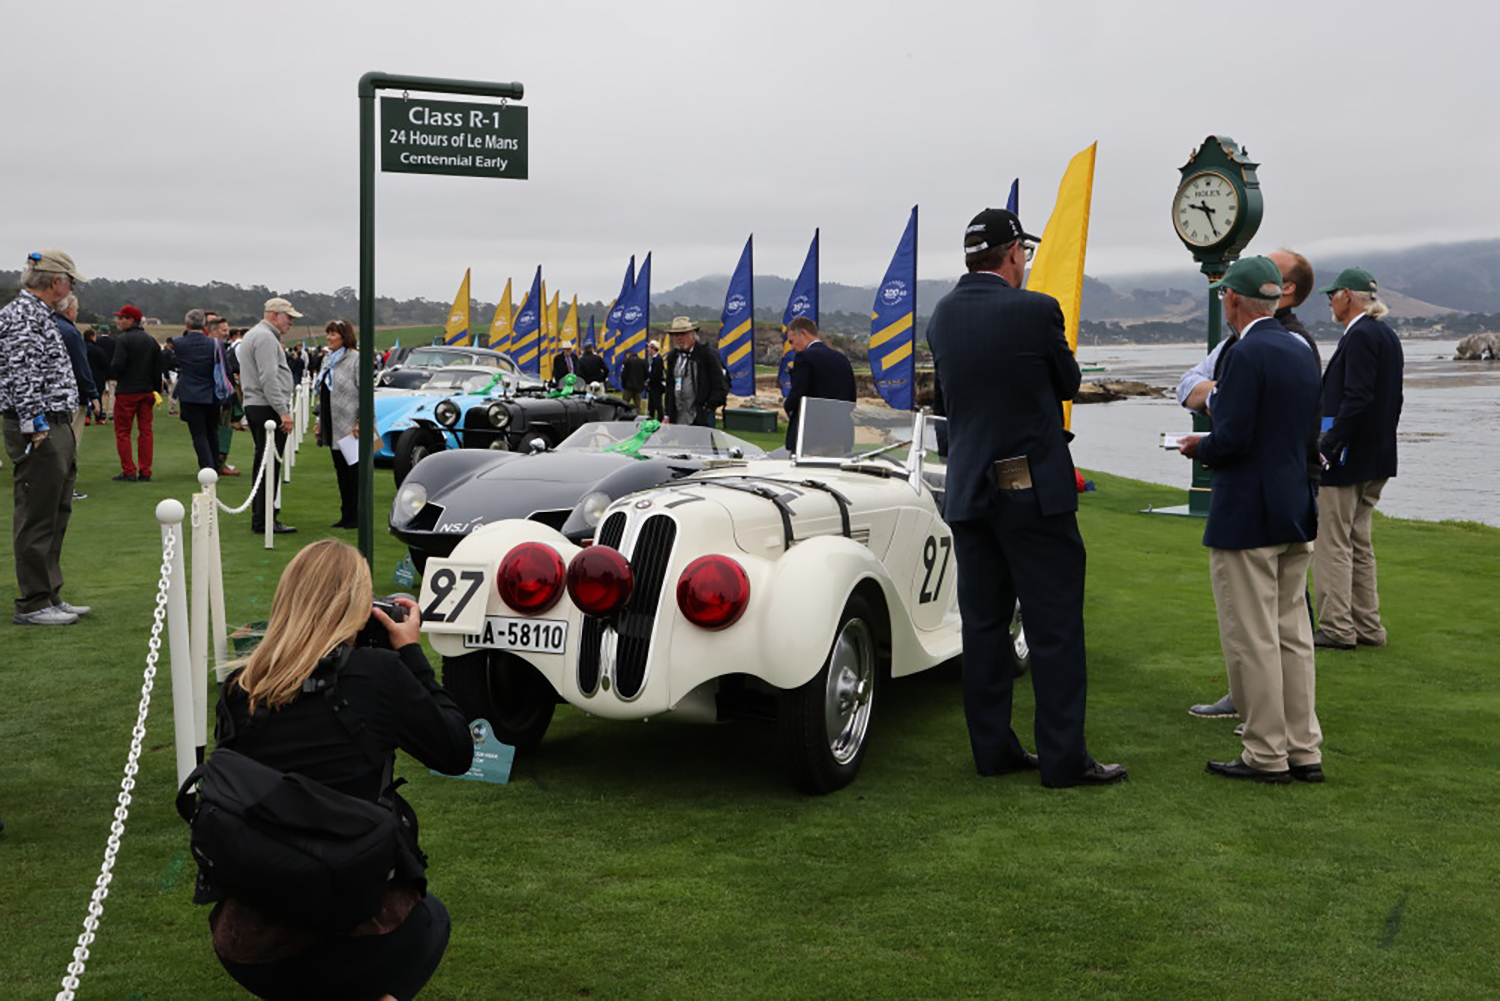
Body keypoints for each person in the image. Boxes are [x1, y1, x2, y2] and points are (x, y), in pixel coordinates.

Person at [200, 540, 472, 999]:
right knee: (429, 920)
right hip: (358, 921)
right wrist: (410, 654)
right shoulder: (380, 673)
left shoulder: (240, 686)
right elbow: (456, 750)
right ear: (358, 606)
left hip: (248, 937)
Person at [926, 208, 1126, 789]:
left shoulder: (943, 316)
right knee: (1054, 624)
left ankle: (993, 751)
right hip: (1031, 491)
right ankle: (1063, 760)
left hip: (968, 489)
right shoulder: (1037, 310)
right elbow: (1067, 383)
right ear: (1014, 253)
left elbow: (949, 399)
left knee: (983, 626)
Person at [1177, 256, 1323, 784]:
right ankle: (1304, 747)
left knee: (1254, 637)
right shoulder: (1300, 349)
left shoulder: (1243, 352)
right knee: (1293, 636)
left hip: (1248, 513)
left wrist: (1199, 446)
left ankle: (1265, 752)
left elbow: (1234, 437)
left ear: (1233, 300)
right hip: (1294, 505)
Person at [1314, 267, 1404, 650]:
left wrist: (1329, 444)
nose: (1330, 303)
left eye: (1332, 295)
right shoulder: (1386, 334)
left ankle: (1336, 627)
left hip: (1349, 458)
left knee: (1332, 542)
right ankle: (1368, 626)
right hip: (1377, 456)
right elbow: (1391, 400)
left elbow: (1357, 397)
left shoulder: (1362, 335)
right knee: (1358, 542)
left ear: (1347, 296)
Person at [0, 249, 89, 626]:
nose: (71, 288)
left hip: (55, 423)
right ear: (56, 282)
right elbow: (24, 377)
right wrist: (35, 430)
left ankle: (50, 593)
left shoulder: (41, 315)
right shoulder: (21, 316)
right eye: (70, 281)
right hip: (38, 427)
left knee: (56, 510)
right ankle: (34, 602)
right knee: (37, 514)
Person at [240, 297, 301, 534]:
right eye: (289, 318)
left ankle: (263, 516)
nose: (291, 323)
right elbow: (268, 378)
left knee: (265, 464)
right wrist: (283, 411)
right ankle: (264, 519)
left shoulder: (257, 335)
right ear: (275, 315)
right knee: (268, 465)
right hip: (266, 407)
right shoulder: (265, 338)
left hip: (259, 405)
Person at [781, 317, 857, 450]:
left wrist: (787, 405)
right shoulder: (841, 359)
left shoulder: (804, 357)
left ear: (804, 333)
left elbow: (798, 393)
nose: (792, 348)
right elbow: (851, 398)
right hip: (839, 434)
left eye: (792, 342)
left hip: (811, 436)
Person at [315, 319, 361, 529]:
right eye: (328, 333)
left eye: (333, 334)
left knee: (354, 473)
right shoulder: (328, 360)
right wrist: (319, 421)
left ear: (344, 336)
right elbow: (324, 393)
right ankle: (346, 514)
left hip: (352, 426)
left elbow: (365, 393)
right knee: (341, 472)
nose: (329, 337)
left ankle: (356, 515)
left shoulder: (356, 359)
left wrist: (361, 421)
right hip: (333, 425)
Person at [52, 295, 99, 501]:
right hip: (71, 397)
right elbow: (81, 368)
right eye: (76, 309)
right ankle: (64, 488)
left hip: (49, 397)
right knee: (69, 443)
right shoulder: (70, 332)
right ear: (69, 309)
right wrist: (93, 395)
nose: (77, 312)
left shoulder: (48, 326)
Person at [110, 304, 163, 482]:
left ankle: (129, 470)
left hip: (127, 391)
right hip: (147, 391)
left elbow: (117, 365)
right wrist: (155, 389)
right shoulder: (151, 341)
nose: (118, 321)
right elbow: (158, 369)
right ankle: (145, 471)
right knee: (146, 432)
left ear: (130, 320)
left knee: (123, 432)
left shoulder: (123, 340)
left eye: (121, 318)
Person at [170, 309, 224, 471]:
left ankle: (207, 467)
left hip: (189, 393)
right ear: (205, 325)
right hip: (211, 392)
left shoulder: (178, 343)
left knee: (198, 434)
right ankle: (215, 464)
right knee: (212, 431)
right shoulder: (215, 344)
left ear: (187, 325)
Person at [663, 317, 727, 428]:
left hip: (701, 416)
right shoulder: (673, 357)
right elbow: (670, 387)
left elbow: (720, 384)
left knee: (702, 445)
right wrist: (668, 413)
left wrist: (708, 407)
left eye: (683, 334)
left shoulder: (706, 355)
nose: (679, 338)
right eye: (675, 335)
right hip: (679, 417)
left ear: (693, 334)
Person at [206, 314, 240, 475]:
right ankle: (218, 464)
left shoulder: (220, 346)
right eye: (224, 330)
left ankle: (215, 462)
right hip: (220, 396)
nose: (227, 333)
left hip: (218, 395)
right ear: (213, 330)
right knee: (222, 430)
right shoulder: (215, 346)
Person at [84, 327, 112, 425]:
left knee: (85, 396)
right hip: (97, 375)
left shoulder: (81, 348)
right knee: (97, 395)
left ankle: (86, 416)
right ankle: (98, 417)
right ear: (92, 336)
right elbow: (105, 362)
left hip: (84, 374)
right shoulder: (97, 349)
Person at [646, 340, 666, 420]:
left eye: (649, 348)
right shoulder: (654, 359)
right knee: (652, 406)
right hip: (653, 386)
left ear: (653, 349)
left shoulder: (658, 360)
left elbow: (656, 375)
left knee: (657, 405)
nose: (648, 350)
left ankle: (660, 420)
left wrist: (649, 379)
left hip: (656, 387)